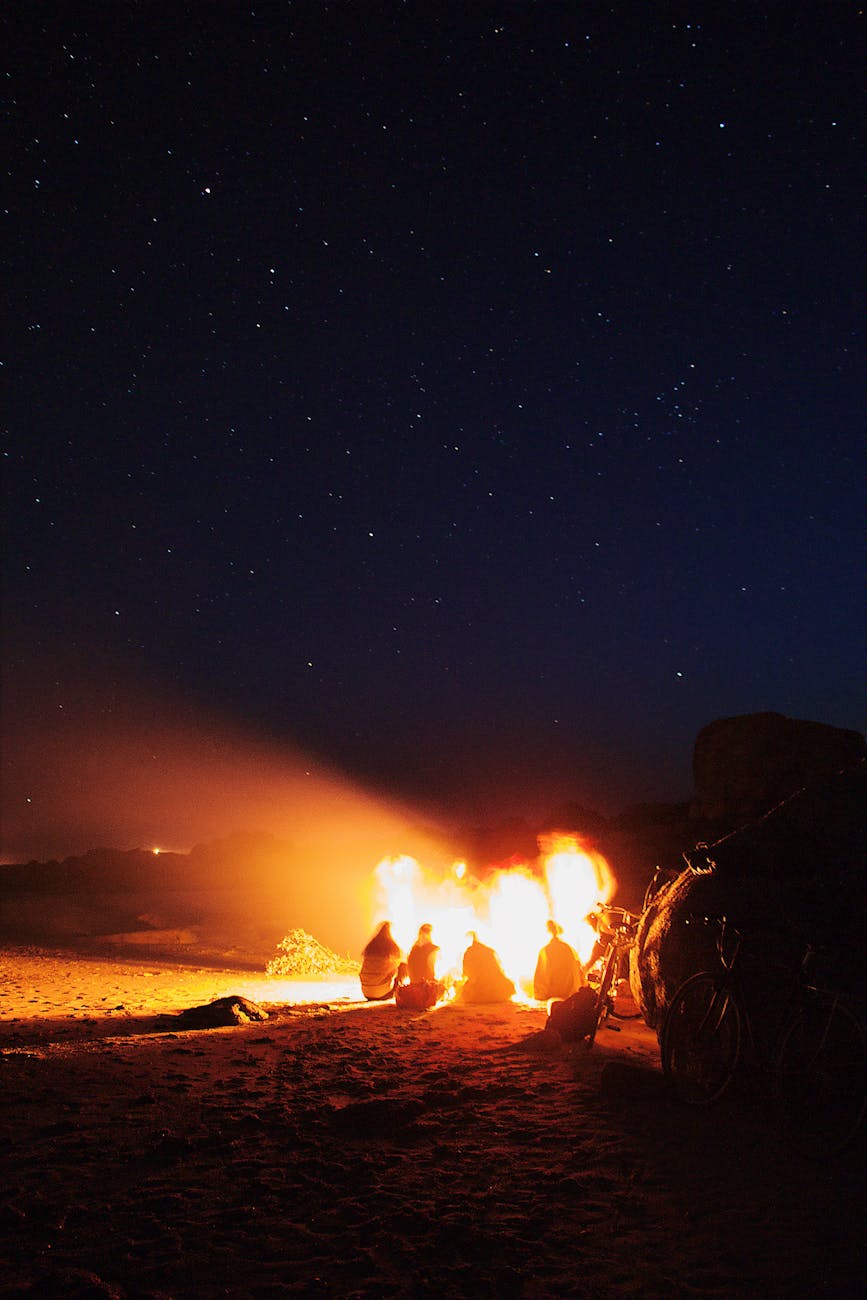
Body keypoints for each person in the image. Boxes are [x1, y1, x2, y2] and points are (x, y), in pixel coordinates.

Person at [396, 923, 445, 1009]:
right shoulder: (434, 949)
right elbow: (432, 970)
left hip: (412, 990)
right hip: (426, 992)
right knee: (445, 982)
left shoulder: (413, 949)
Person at [458, 931, 515, 1004]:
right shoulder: (490, 951)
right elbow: (501, 969)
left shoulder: (469, 952)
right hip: (500, 990)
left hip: (480, 992)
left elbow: (467, 973)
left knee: (464, 990)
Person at [533, 919, 583, 1001]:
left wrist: (540, 994)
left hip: (554, 993)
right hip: (570, 991)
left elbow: (542, 974)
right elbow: (578, 969)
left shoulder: (546, 950)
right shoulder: (568, 948)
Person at [359, 921, 405, 1000]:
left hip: (366, 993)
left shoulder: (370, 947)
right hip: (383, 994)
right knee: (403, 966)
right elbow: (400, 960)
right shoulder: (392, 947)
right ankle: (400, 992)